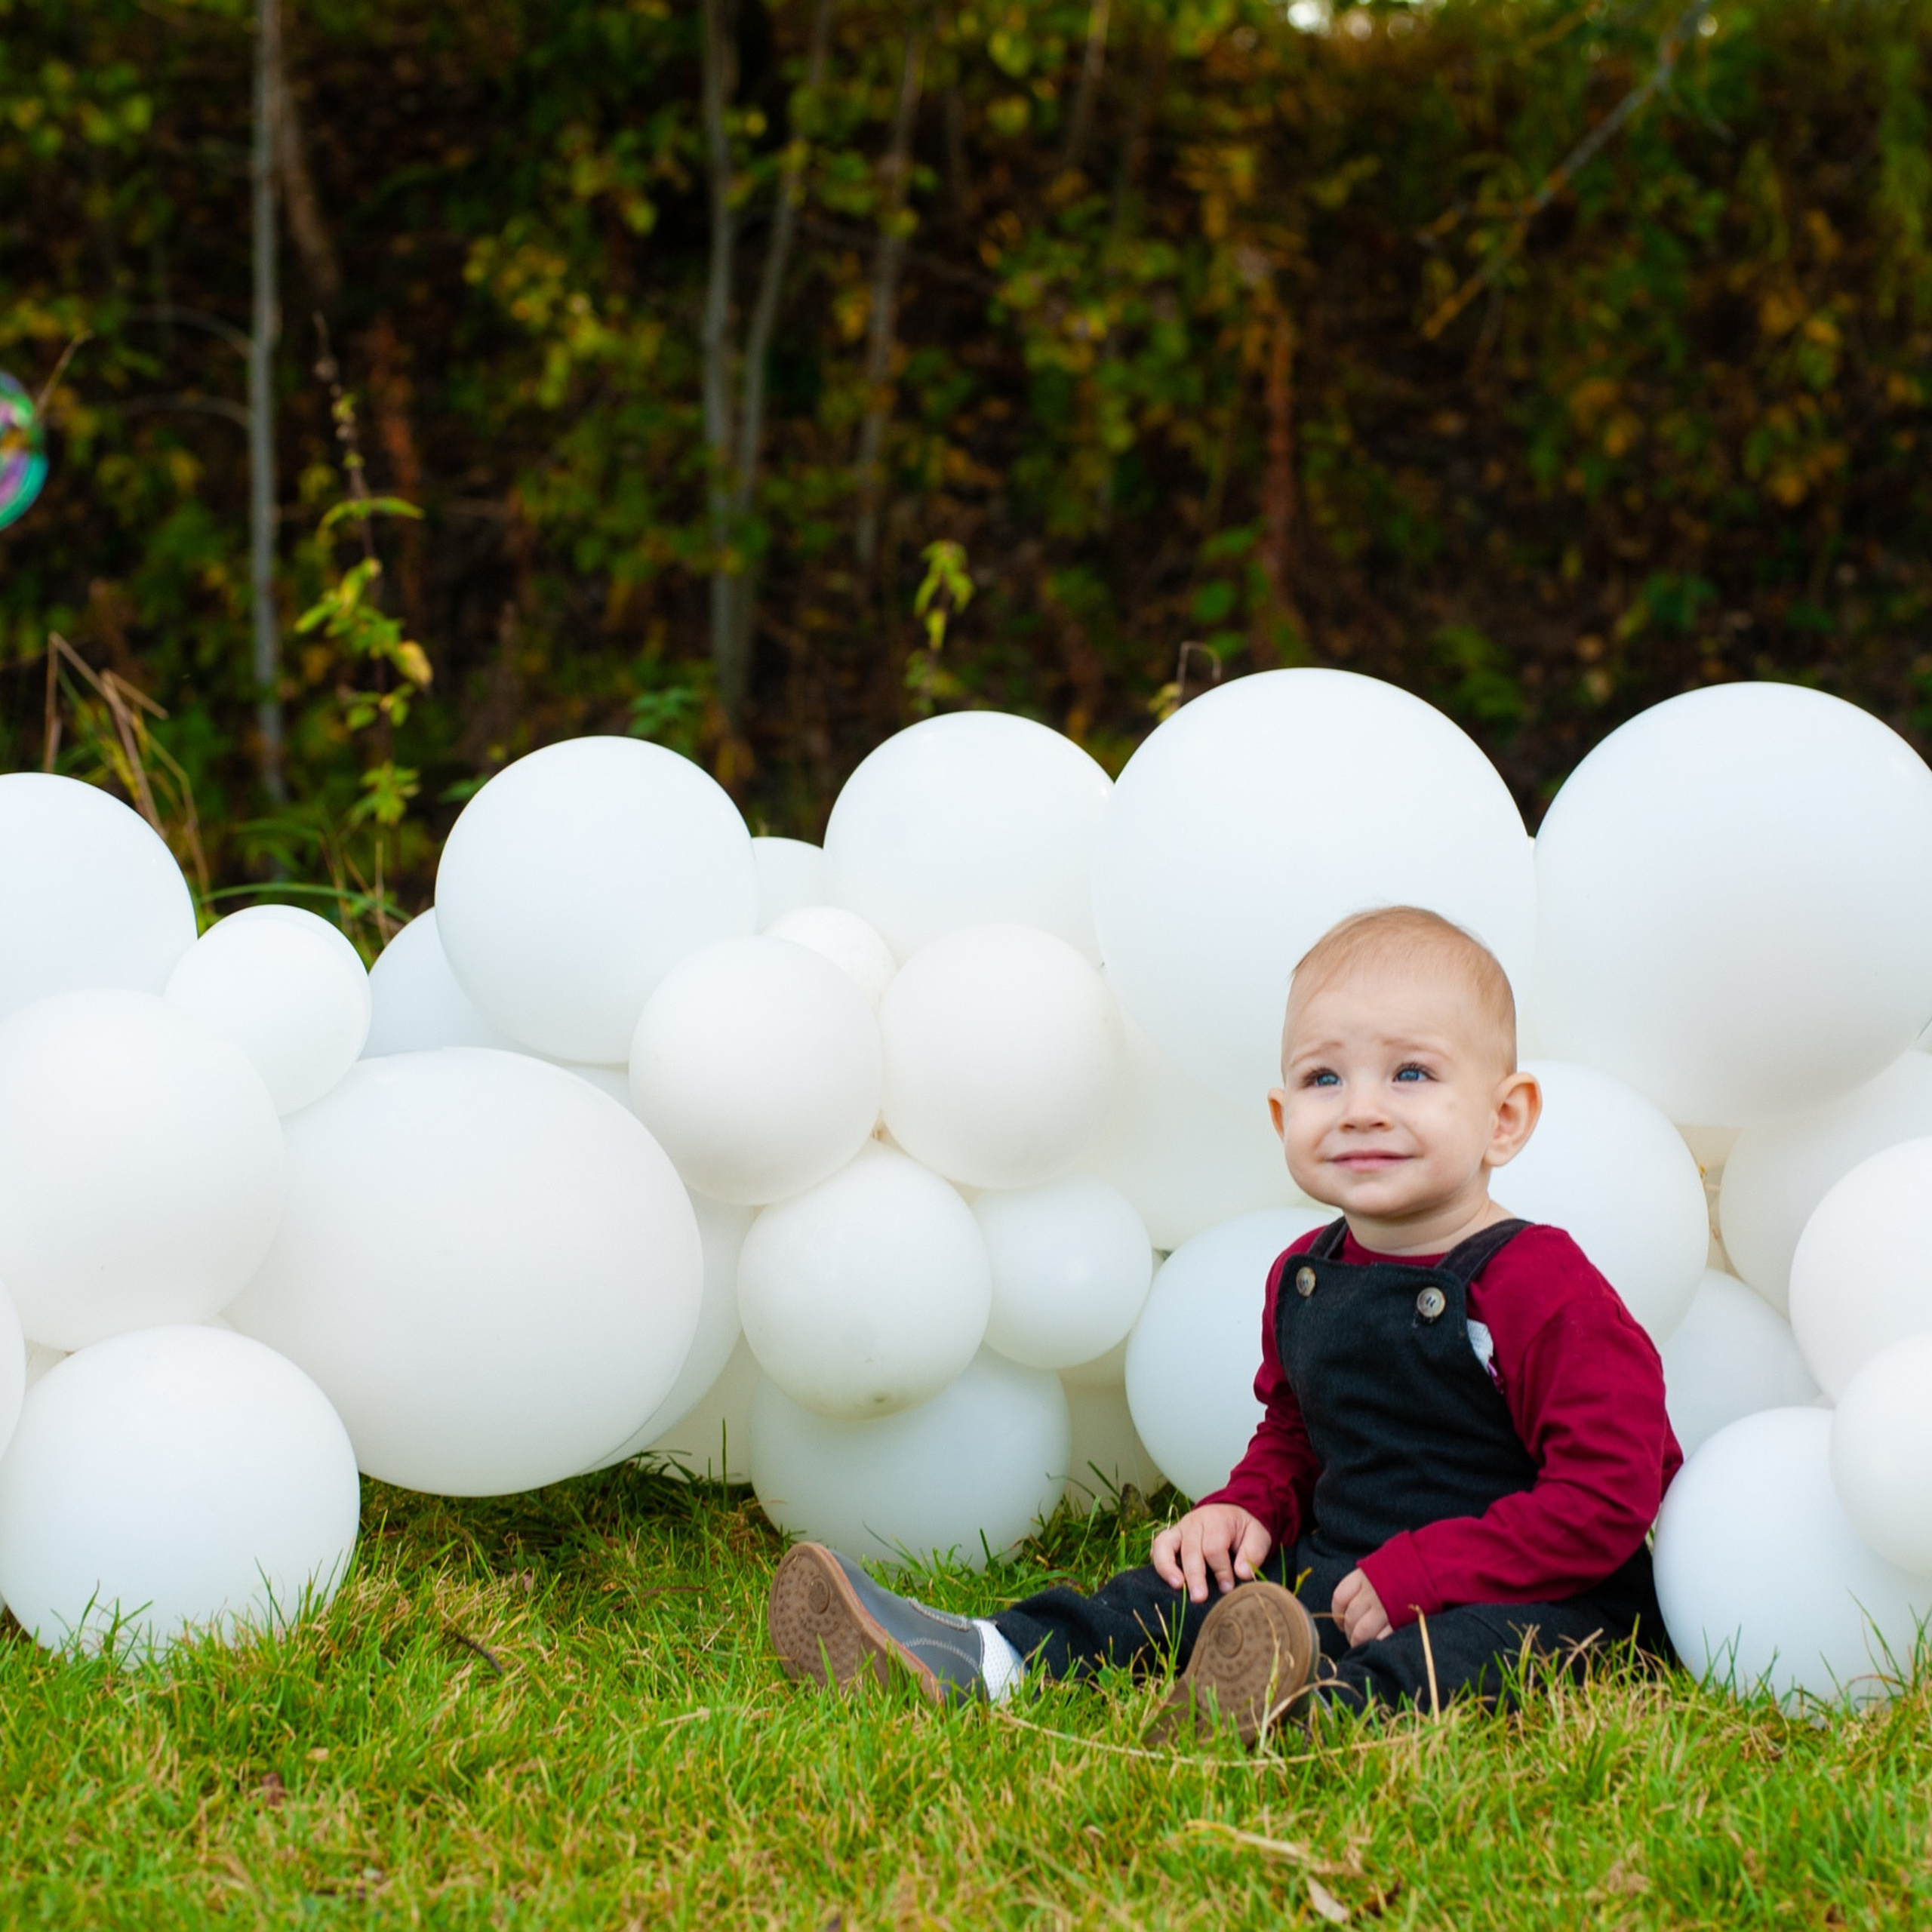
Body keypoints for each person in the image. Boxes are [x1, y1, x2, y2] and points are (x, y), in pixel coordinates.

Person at [766, 906, 1681, 1740]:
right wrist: (1244, 1504)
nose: (1362, 1106)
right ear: (1284, 1115)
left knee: (1467, 1654)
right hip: (1344, 1567)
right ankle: (990, 1656)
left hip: (1539, 1589)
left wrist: (1427, 1576)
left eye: (1411, 1072)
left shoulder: (1542, 1285)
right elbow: (1298, 1435)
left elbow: (1609, 1494)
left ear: (1504, 1117)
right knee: (1184, 1590)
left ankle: (1299, 1716)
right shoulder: (1306, 1275)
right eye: (1324, 1077)